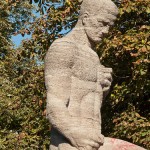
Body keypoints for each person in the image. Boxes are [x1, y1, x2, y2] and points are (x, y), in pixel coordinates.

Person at [44, 0, 118, 149]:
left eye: (110, 26)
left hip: (93, 139)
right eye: (102, 23)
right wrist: (75, 133)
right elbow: (55, 104)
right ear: (85, 17)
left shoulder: (93, 56)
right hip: (70, 143)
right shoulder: (63, 48)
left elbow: (88, 104)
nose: (106, 31)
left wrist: (103, 90)